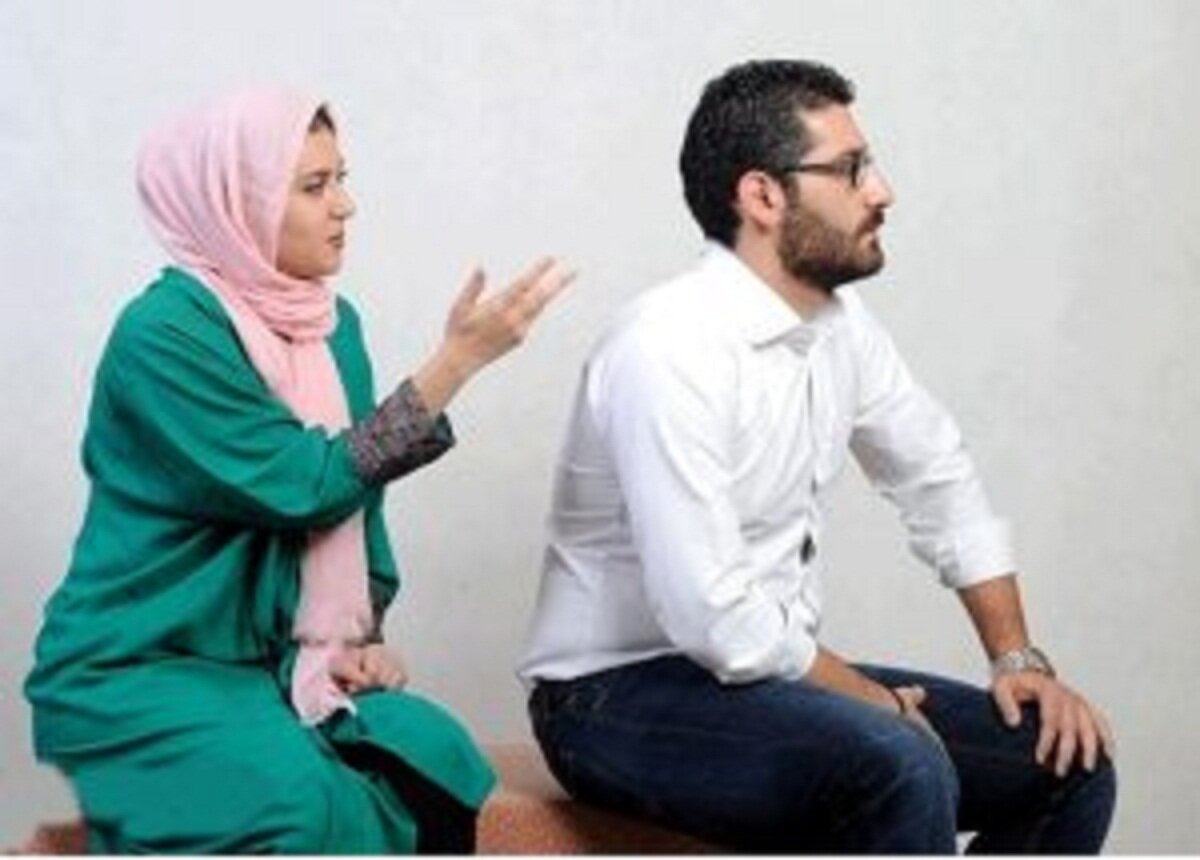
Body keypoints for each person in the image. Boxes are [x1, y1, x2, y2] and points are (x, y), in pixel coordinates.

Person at [519, 59, 1116, 853]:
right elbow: (714, 616)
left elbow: (937, 478)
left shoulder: (842, 327)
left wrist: (1018, 660)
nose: (882, 191)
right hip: (611, 697)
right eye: (851, 169)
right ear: (763, 196)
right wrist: (873, 701)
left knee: (1069, 761)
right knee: (900, 763)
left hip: (765, 678)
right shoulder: (665, 347)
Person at [25, 87, 571, 854]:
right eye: (314, 186)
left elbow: (358, 500)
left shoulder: (332, 327)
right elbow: (304, 485)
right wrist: (455, 363)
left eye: (341, 179)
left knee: (436, 758)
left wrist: (359, 638)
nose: (345, 205)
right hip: (142, 667)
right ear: (234, 204)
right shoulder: (162, 334)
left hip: (281, 662)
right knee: (302, 807)